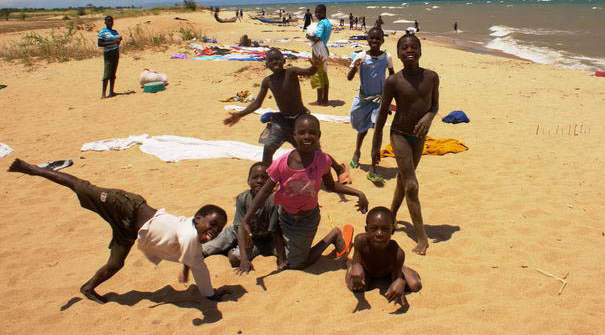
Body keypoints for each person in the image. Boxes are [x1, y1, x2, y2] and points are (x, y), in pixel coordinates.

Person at [7, 158, 229, 304]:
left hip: (129, 231)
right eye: (212, 225)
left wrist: (185, 268)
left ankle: (87, 288)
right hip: (124, 206)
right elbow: (197, 262)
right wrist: (210, 295)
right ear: (197, 219)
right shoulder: (190, 235)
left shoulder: (191, 234)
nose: (214, 231)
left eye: (218, 229)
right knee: (82, 186)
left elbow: (188, 251)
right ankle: (34, 169)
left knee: (116, 264)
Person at [237, 114, 369, 272]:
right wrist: (246, 219)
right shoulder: (281, 163)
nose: (307, 136)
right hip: (284, 216)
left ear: (319, 135)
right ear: (294, 135)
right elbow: (265, 192)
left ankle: (332, 236)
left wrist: (358, 193)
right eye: (302, 132)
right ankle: (285, 255)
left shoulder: (323, 160)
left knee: (297, 264)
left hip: (307, 219)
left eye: (312, 132)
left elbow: (331, 185)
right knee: (279, 237)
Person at [372, 33, 439, 255]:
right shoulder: (394, 81)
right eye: (404, 48)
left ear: (421, 51)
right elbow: (382, 114)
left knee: (403, 178)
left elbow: (435, 106)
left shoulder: (431, 77)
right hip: (399, 134)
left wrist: (428, 118)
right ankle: (422, 237)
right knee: (411, 184)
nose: (409, 50)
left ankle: (391, 215)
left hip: (418, 137)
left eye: (414, 46)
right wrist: (375, 145)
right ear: (399, 54)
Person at [223, 48, 322, 166]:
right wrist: (240, 114)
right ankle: (267, 176)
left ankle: (338, 169)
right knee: (268, 148)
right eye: (271, 60)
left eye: (278, 59)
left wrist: (315, 66)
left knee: (314, 150)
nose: (275, 62)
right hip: (282, 121)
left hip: (300, 119)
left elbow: (309, 72)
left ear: (284, 60)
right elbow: (257, 103)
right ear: (266, 64)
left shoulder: (291, 72)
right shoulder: (267, 81)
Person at [202, 162, 285, 269]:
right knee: (225, 236)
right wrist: (245, 253)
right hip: (244, 234)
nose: (259, 181)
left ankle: (231, 250)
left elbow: (275, 230)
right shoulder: (243, 198)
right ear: (248, 181)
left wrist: (281, 259)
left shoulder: (274, 200)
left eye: (264, 178)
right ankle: (205, 250)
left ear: (271, 182)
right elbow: (239, 227)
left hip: (267, 239)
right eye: (255, 177)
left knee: (234, 259)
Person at [346, 206, 422, 307]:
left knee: (415, 285)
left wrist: (401, 283)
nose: (379, 234)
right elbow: (357, 263)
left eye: (385, 229)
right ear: (366, 230)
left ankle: (403, 267)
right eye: (373, 229)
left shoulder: (397, 252)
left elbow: (396, 280)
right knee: (357, 288)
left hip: (387, 271)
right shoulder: (360, 241)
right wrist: (355, 265)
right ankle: (348, 264)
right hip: (367, 269)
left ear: (392, 231)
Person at [347, 27, 395, 184]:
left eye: (378, 38)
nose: (374, 41)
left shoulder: (387, 57)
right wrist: (356, 66)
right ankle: (357, 151)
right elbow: (349, 77)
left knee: (378, 130)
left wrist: (389, 100)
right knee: (362, 129)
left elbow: (392, 77)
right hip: (363, 99)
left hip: (379, 101)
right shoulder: (361, 56)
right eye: (371, 38)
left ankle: (373, 167)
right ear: (367, 40)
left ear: (383, 40)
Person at [306, 4, 332, 105]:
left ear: (324, 12)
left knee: (317, 74)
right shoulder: (327, 22)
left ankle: (319, 100)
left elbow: (317, 38)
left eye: (319, 12)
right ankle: (325, 98)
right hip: (325, 49)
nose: (317, 14)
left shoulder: (321, 23)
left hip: (319, 50)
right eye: (316, 12)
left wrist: (309, 37)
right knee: (324, 74)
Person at [97, 15, 122, 99]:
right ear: (105, 22)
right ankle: (103, 94)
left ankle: (111, 92)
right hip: (108, 53)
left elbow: (118, 43)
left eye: (111, 21)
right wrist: (111, 43)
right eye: (108, 21)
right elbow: (100, 43)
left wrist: (118, 41)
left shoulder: (115, 32)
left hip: (116, 52)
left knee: (113, 73)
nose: (110, 22)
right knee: (107, 72)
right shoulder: (103, 32)